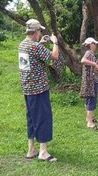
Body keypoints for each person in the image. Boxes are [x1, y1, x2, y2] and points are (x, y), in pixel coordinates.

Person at [18, 19, 59, 162]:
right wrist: (55, 42)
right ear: (36, 31)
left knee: (31, 118)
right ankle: (43, 152)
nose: (40, 32)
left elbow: (33, 55)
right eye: (39, 30)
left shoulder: (23, 45)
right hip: (39, 89)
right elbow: (54, 56)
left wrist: (40, 43)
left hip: (27, 88)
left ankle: (31, 150)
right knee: (43, 117)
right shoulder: (35, 47)